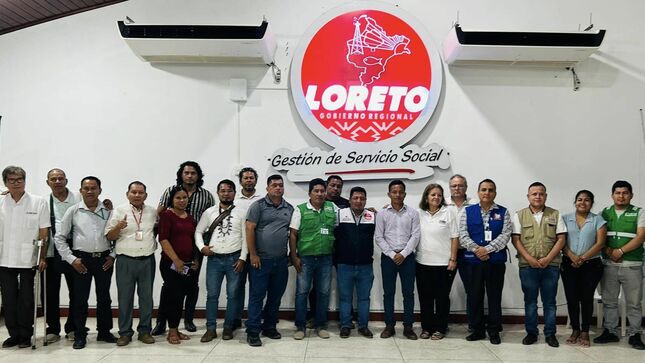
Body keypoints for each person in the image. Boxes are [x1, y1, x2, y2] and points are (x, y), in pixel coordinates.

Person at [54, 176, 117, 349]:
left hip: (104, 260)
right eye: (86, 188)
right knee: (80, 299)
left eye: (93, 188)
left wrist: (113, 256)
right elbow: (59, 237)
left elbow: (117, 236)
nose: (90, 191)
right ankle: (80, 334)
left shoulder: (108, 211)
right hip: (81, 261)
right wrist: (72, 259)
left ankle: (104, 332)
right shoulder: (73, 211)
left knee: (104, 298)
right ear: (80, 190)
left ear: (100, 190)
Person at [153, 161, 215, 335]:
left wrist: (200, 251)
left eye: (193, 173)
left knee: (191, 286)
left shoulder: (206, 196)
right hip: (173, 250)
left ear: (198, 175)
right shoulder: (169, 192)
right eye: (186, 172)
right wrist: (171, 254)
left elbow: (211, 218)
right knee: (170, 288)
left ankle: (187, 319)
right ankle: (162, 322)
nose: (189, 175)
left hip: (195, 248)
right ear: (181, 174)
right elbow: (159, 215)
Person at [512, 182, 566, 348]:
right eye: (534, 194)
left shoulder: (555, 214)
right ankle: (531, 333)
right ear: (528, 196)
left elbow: (561, 239)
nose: (537, 196)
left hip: (551, 266)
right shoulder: (519, 215)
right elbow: (516, 239)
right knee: (530, 302)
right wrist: (530, 259)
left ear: (546, 196)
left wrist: (548, 259)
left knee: (549, 302)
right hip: (528, 266)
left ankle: (550, 334)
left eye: (541, 194)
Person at [0, 166, 49, 349]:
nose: (16, 183)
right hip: (4, 259)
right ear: (5, 182)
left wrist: (42, 257)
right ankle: (13, 334)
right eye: (11, 180)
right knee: (9, 299)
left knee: (27, 300)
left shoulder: (38, 202)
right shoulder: (1, 202)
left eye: (19, 179)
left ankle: (25, 335)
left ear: (25, 181)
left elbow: (44, 231)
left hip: (29, 260)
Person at [594, 180, 645, 350]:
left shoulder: (639, 212)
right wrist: (609, 251)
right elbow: (599, 236)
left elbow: (640, 237)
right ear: (612, 195)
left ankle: (635, 334)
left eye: (625, 193)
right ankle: (610, 331)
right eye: (618, 193)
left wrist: (621, 251)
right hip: (609, 264)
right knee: (609, 301)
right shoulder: (604, 213)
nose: (621, 196)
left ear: (631, 195)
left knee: (634, 303)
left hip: (633, 264)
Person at [106, 181, 158, 346]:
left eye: (140, 192)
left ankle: (144, 331)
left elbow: (156, 230)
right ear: (127, 194)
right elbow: (109, 236)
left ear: (146, 195)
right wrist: (119, 227)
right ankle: (125, 333)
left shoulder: (152, 212)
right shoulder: (119, 211)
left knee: (146, 299)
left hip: (147, 260)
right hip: (125, 260)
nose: (137, 195)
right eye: (133, 192)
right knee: (125, 299)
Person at [459, 179, 511, 345]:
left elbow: (505, 235)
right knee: (475, 296)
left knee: (494, 297)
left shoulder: (503, 212)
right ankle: (477, 330)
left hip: (495, 262)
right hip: (474, 262)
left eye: (490, 190)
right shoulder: (468, 211)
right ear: (478, 192)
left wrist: (487, 250)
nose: (487, 193)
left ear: (495, 193)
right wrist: (477, 250)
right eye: (483, 190)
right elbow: (463, 235)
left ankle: (494, 330)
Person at [244, 175, 294, 347]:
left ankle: (270, 326)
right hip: (261, 260)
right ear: (267, 188)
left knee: (275, 296)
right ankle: (253, 331)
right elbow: (249, 229)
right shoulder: (257, 206)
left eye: (281, 185)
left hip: (281, 261)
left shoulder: (289, 208)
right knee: (257, 297)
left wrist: (292, 255)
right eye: (274, 185)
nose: (278, 188)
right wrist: (253, 254)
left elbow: (293, 233)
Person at [196, 179, 247, 342]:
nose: (226, 193)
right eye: (223, 190)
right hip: (214, 260)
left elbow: (246, 237)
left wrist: (242, 258)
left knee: (233, 295)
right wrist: (201, 247)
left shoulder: (241, 212)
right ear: (218, 193)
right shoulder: (209, 212)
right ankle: (210, 329)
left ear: (234, 193)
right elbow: (198, 232)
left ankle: (228, 328)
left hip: (234, 258)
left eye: (229, 190)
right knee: (212, 295)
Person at [290, 178, 337, 340]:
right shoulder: (300, 210)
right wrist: (294, 257)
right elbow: (293, 234)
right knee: (302, 292)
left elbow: (344, 221)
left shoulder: (332, 208)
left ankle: (321, 325)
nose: (319, 194)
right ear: (309, 193)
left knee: (323, 293)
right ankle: (300, 326)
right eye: (316, 191)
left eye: (322, 191)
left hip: (325, 258)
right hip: (305, 259)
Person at [375, 179, 420, 340]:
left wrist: (404, 253)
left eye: (401, 192)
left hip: (407, 258)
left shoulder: (413, 213)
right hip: (389, 258)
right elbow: (379, 237)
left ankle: (408, 327)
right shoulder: (382, 214)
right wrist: (393, 255)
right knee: (389, 293)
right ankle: (389, 326)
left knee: (408, 293)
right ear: (389, 194)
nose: (397, 195)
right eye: (394, 192)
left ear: (405, 194)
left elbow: (415, 235)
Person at [560, 190, 606, 347]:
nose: (583, 202)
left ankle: (585, 330)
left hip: (591, 265)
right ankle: (575, 329)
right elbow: (560, 241)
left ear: (592, 203)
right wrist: (572, 256)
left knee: (586, 298)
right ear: (575, 202)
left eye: (587, 200)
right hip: (569, 263)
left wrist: (583, 258)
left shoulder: (598, 220)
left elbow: (600, 243)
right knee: (572, 298)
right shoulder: (565, 219)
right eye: (579, 199)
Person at [415, 184, 458, 340]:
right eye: (433, 195)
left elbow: (455, 236)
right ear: (426, 197)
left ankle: (440, 328)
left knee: (441, 298)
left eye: (439, 195)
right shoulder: (418, 213)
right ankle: (426, 328)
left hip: (443, 264)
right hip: (422, 262)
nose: (436, 197)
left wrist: (453, 259)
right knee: (425, 298)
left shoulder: (449, 212)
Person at [42, 168, 80, 343]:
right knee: (50, 292)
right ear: (47, 182)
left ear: (66, 180)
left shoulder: (78, 198)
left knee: (76, 291)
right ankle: (53, 329)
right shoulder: (43, 201)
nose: (57, 181)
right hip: (50, 252)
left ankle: (73, 327)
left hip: (74, 250)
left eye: (60, 178)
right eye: (53, 179)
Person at [157, 186, 198, 344]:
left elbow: (194, 240)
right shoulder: (167, 215)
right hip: (170, 264)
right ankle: (172, 331)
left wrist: (196, 259)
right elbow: (163, 239)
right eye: (178, 198)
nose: (181, 201)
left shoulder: (190, 217)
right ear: (172, 200)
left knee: (181, 296)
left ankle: (176, 328)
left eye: (184, 198)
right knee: (174, 297)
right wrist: (176, 260)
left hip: (188, 264)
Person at [335, 186, 375, 339]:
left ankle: (363, 326)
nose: (359, 201)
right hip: (344, 264)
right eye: (355, 198)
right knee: (345, 298)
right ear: (350, 200)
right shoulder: (339, 214)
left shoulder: (372, 216)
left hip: (365, 265)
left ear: (365, 200)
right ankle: (345, 325)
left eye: (362, 198)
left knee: (364, 298)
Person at [232, 167, 262, 331]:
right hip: (239, 250)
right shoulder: (234, 202)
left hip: (259, 250)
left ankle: (254, 317)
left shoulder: (263, 200)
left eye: (252, 178)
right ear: (241, 181)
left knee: (257, 287)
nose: (249, 180)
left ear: (256, 180)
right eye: (246, 178)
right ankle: (236, 317)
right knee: (237, 285)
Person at [446, 174, 477, 332]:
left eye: (460, 185)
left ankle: (473, 325)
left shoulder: (474, 205)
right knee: (443, 290)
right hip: (447, 254)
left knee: (472, 290)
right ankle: (441, 325)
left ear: (466, 187)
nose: (457, 188)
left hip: (468, 253)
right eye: (453, 186)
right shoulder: (443, 205)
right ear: (449, 188)